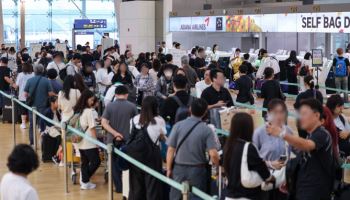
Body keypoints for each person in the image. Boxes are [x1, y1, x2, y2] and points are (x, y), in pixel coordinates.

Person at [267, 99, 335, 200]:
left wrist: (282, 134)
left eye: (304, 113)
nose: (300, 118)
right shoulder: (310, 136)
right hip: (303, 191)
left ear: (317, 115)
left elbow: (307, 145)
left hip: (315, 193)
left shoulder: (322, 134)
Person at [166, 98, 219, 199]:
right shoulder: (206, 130)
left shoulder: (178, 126)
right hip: (198, 170)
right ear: (205, 112)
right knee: (196, 197)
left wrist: (169, 168)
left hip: (179, 168)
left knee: (175, 196)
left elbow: (170, 149)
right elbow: (213, 154)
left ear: (190, 109)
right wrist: (216, 168)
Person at [224, 112, 273, 200]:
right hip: (247, 195)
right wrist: (270, 178)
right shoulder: (248, 147)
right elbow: (261, 167)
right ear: (248, 128)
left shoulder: (228, 145)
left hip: (230, 195)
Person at [253, 99, 292, 200]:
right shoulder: (259, 133)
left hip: (282, 180)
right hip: (265, 179)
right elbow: (253, 160)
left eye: (282, 112)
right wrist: (270, 163)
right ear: (268, 113)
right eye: (275, 112)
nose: (279, 116)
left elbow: (291, 154)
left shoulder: (288, 131)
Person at [101, 85, 137, 193]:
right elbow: (137, 123)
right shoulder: (132, 106)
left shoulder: (110, 106)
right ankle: (128, 187)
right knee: (128, 164)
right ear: (127, 94)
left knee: (113, 165)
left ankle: (119, 187)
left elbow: (104, 122)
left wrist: (115, 133)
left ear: (115, 95)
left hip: (112, 140)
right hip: (128, 140)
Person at [128, 96, 165, 200]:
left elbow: (131, 135)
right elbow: (162, 136)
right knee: (153, 186)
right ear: (155, 107)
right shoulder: (159, 120)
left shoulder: (134, 119)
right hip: (152, 157)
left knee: (136, 186)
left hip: (136, 157)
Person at [74, 90, 101, 190]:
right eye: (91, 100)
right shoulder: (89, 111)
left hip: (79, 140)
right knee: (96, 161)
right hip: (89, 141)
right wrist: (96, 142)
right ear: (86, 99)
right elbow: (92, 128)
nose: (92, 102)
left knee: (84, 162)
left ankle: (85, 182)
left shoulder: (78, 110)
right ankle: (85, 180)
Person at [24, 64, 55, 145]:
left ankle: (32, 141)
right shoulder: (46, 80)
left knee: (32, 125)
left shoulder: (29, 80)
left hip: (32, 107)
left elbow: (25, 94)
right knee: (43, 125)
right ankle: (43, 142)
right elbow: (51, 93)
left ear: (34, 71)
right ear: (42, 71)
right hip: (43, 106)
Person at [13, 63, 34, 129]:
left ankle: (23, 124)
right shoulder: (33, 74)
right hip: (31, 95)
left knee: (23, 110)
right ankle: (31, 123)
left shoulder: (20, 75)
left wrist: (11, 83)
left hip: (22, 95)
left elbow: (16, 86)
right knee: (31, 109)